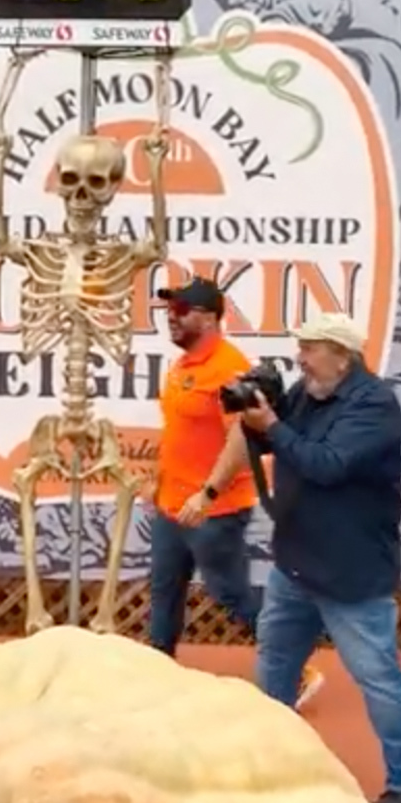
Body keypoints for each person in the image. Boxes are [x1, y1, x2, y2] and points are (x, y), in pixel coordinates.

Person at [239, 312, 401, 803]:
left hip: (350, 570)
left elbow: (327, 464)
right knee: (275, 666)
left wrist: (274, 427)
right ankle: (272, 764)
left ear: (343, 356)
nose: (300, 358)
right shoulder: (309, 393)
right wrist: (255, 418)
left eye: (311, 348)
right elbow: (273, 446)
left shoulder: (374, 405)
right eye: (300, 346)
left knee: (378, 677)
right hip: (296, 560)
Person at [146, 279, 318, 707]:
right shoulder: (184, 366)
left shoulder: (228, 369)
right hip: (172, 504)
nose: (172, 315)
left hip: (214, 510)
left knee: (231, 594)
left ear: (208, 317)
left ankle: (297, 668)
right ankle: (154, 671)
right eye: (169, 308)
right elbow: (182, 431)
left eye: (182, 309)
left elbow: (242, 440)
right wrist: (160, 481)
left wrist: (206, 495)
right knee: (165, 589)